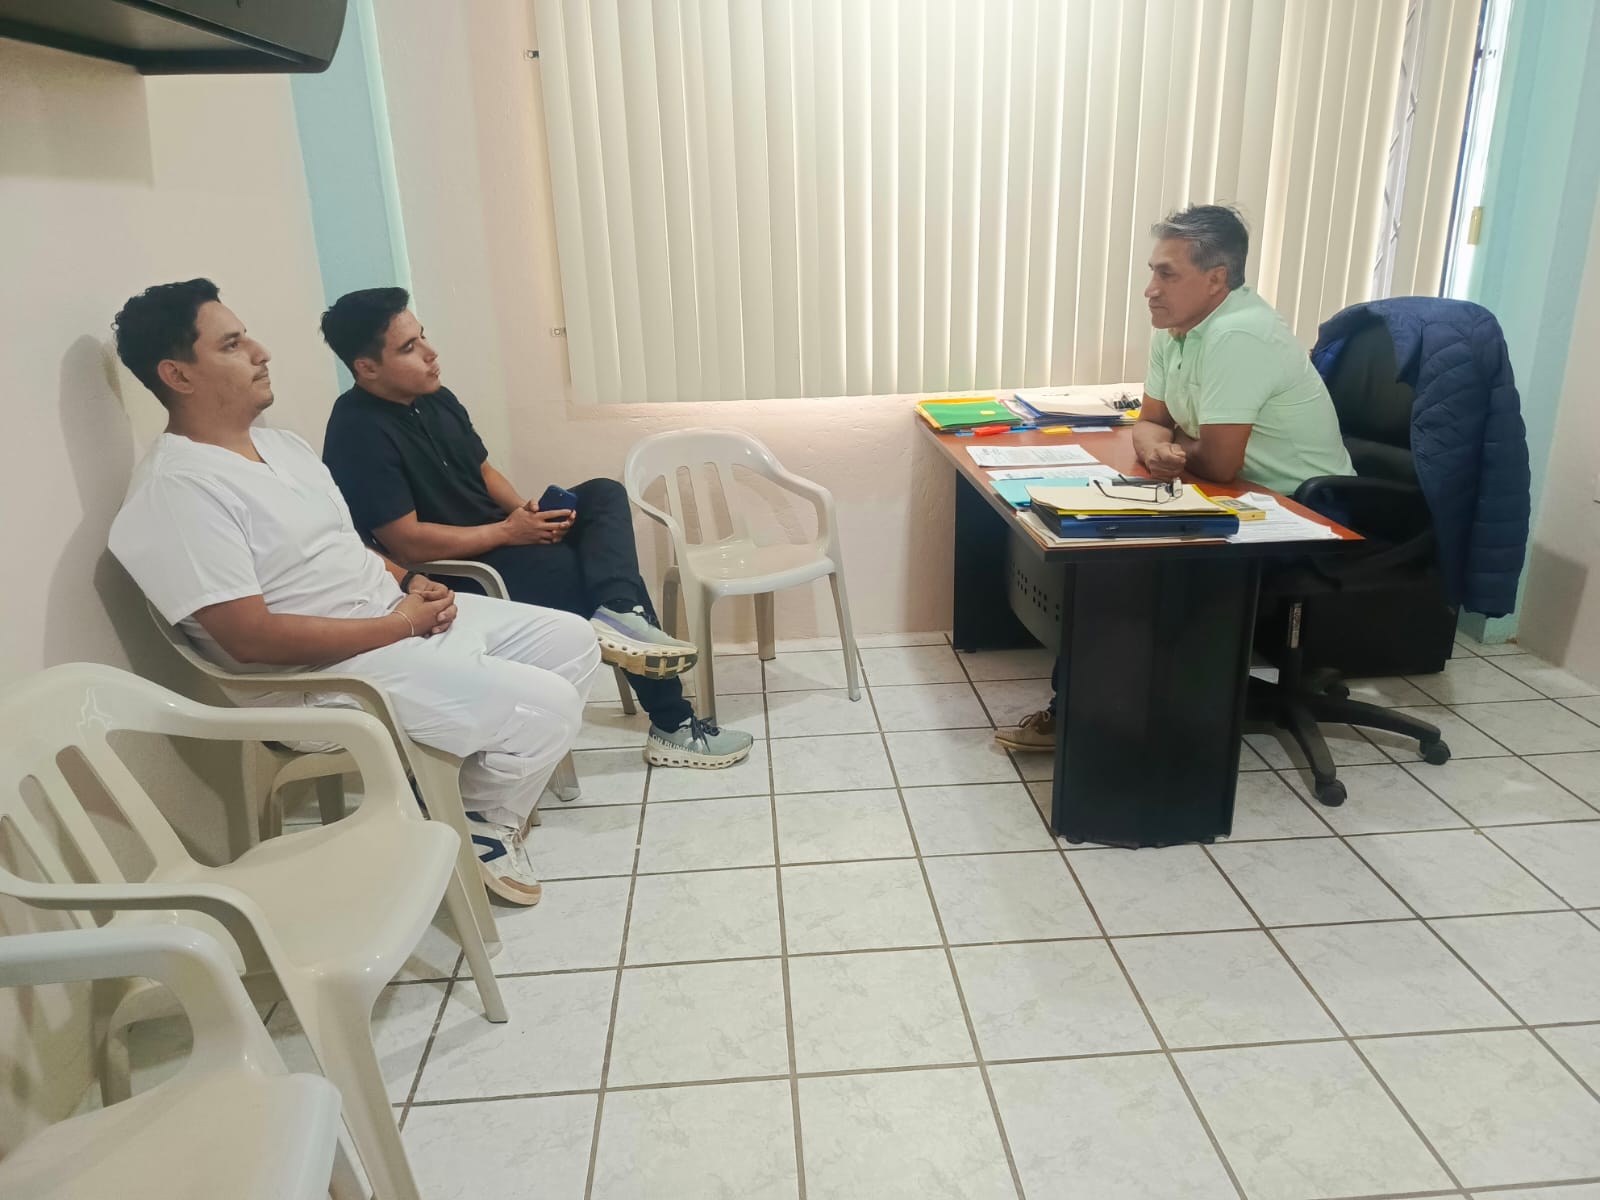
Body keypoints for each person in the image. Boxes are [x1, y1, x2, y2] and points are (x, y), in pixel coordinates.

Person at [108, 279, 599, 906]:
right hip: (319, 678)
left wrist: (410, 581)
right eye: (232, 344)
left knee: (573, 640)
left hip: (389, 619)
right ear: (177, 375)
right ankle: (478, 824)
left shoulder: (281, 446)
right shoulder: (177, 489)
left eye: (247, 336)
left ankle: (459, 799)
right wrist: (403, 625)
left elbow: (345, 545)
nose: (260, 352)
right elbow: (248, 639)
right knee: (548, 706)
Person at [316, 288, 752, 770]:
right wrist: (510, 532)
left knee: (602, 493)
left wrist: (527, 514)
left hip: (504, 536)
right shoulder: (356, 431)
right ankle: (671, 722)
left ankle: (619, 614)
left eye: (423, 337)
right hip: (459, 568)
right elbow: (406, 542)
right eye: (408, 348)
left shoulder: (436, 398)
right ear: (366, 367)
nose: (430, 353)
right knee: (577, 570)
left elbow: (482, 471)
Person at [995, 204, 1355, 752]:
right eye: (1152, 272)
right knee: (1103, 537)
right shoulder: (1178, 328)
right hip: (1242, 494)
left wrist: (1170, 449)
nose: (1150, 290)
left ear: (1216, 279)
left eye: (1167, 274)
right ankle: (1110, 708)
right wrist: (1161, 446)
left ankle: (1088, 721)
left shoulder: (1239, 333)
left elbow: (1219, 463)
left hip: (1307, 511)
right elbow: (1149, 422)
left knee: (1132, 570)